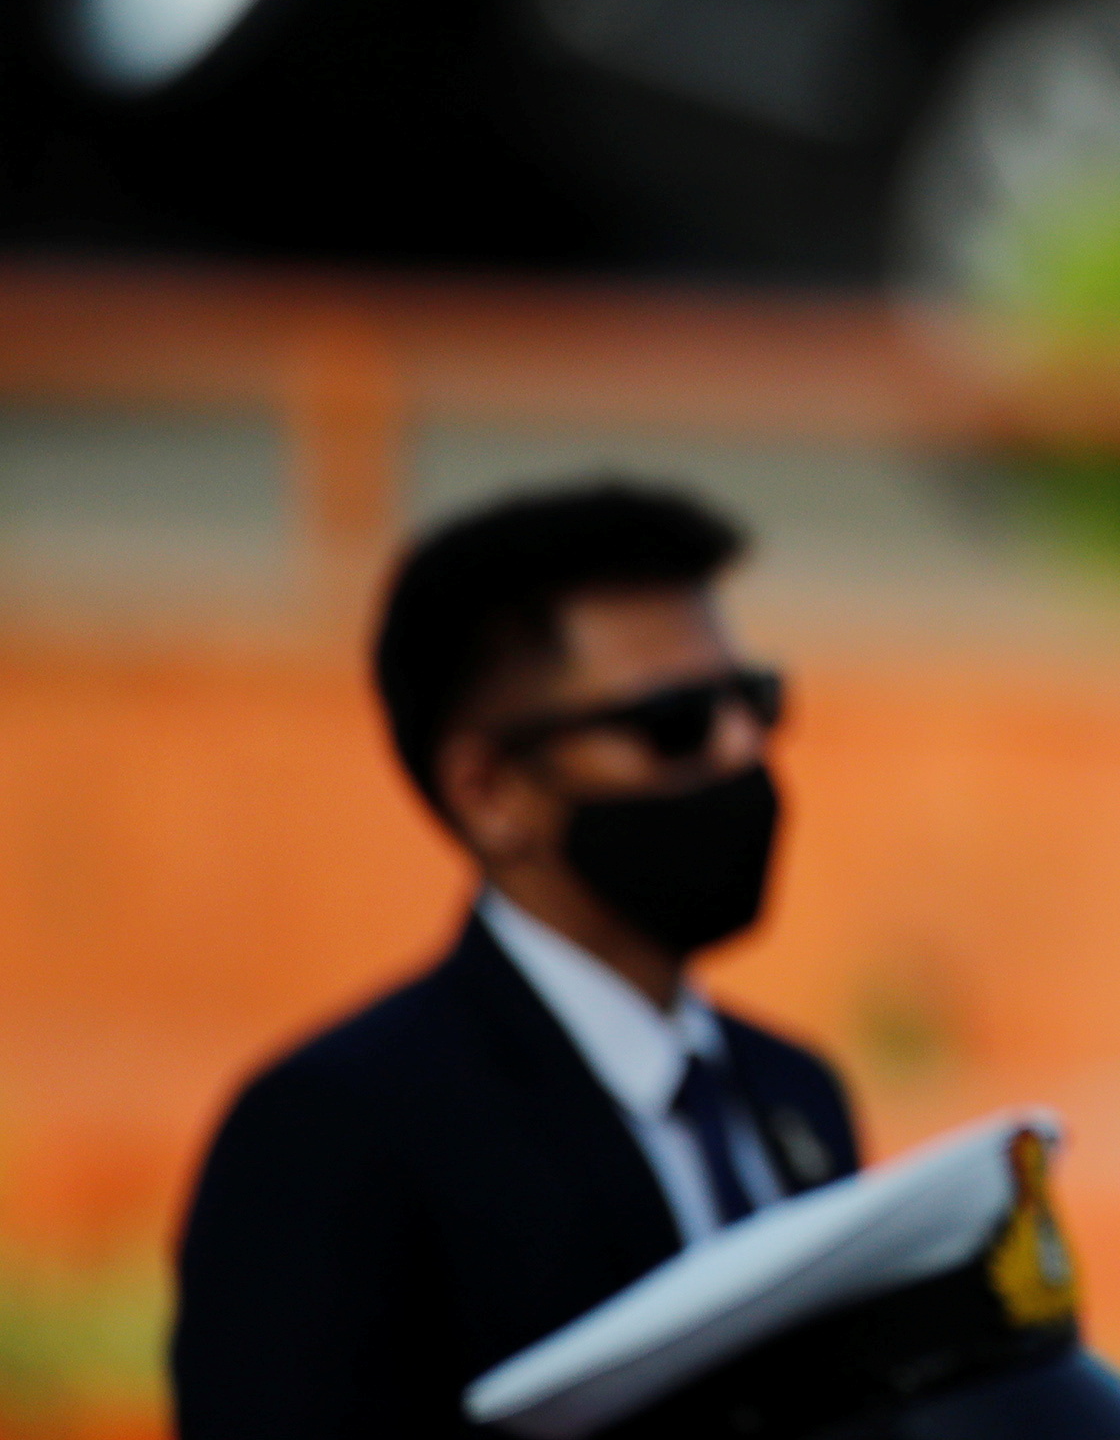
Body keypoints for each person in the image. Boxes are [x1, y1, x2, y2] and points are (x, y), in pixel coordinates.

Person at [173, 481, 858, 1440]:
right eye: (675, 723)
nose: (743, 749)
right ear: (489, 790)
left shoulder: (792, 1095)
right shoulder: (337, 1136)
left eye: (753, 699)